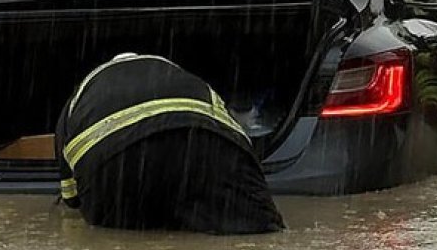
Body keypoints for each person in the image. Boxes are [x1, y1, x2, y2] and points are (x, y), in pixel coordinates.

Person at [55, 53, 284, 234]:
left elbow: (71, 198)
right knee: (260, 230)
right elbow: (237, 139)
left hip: (120, 169)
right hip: (205, 151)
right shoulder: (191, 82)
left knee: (126, 240)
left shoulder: (77, 100)